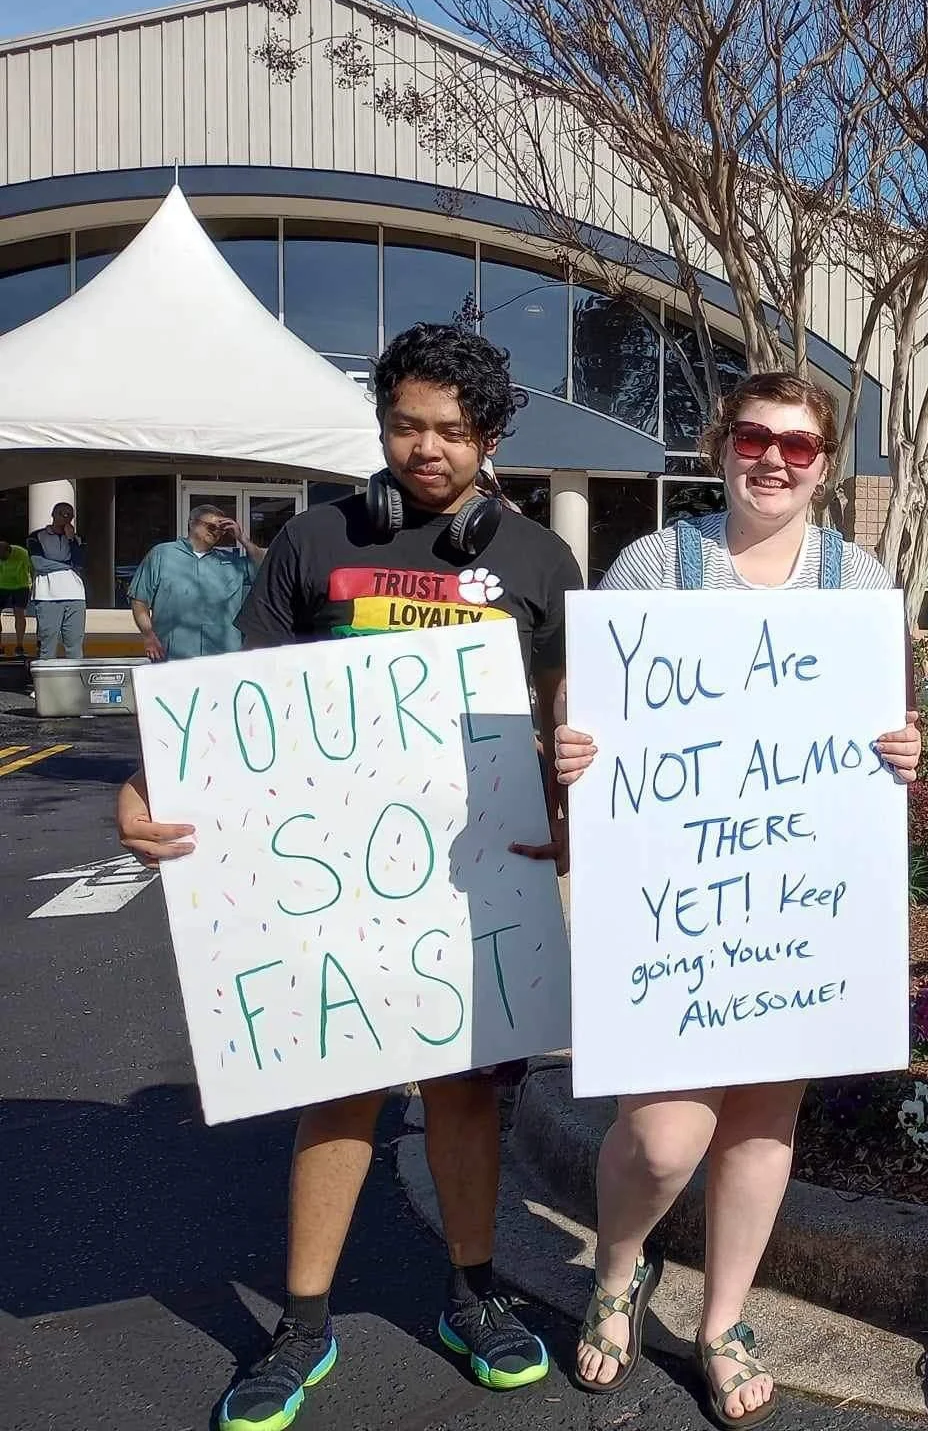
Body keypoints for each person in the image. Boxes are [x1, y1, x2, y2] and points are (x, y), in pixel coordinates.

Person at [116, 323, 583, 1430]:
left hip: (474, 878)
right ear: (380, 424)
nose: (426, 449)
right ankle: (303, 1322)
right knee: (342, 1094)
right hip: (335, 885)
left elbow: (572, 716)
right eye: (406, 425)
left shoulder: (537, 563)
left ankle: (474, 1298)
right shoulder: (310, 542)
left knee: (469, 1092)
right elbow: (234, 706)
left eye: (452, 432)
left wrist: (568, 817)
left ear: (491, 439)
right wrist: (142, 788)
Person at [549, 371, 923, 1418]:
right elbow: (590, 701)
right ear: (722, 446)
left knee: (762, 1125)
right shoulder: (656, 563)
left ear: (825, 465)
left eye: (799, 446)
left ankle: (723, 1318)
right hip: (675, 905)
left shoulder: (858, 580)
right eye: (755, 438)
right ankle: (617, 1267)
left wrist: (903, 749)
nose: (773, 459)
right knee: (666, 1135)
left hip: (793, 905)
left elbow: (888, 724)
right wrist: (578, 746)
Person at [129, 504, 265, 661]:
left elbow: (266, 568)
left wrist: (243, 539)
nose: (216, 532)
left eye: (221, 529)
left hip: (223, 655)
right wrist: (148, 636)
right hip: (173, 653)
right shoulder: (162, 554)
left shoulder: (232, 562)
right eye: (211, 526)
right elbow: (139, 600)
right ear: (192, 523)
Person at [28, 501, 87, 660]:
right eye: (62, 513)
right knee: (47, 644)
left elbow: (80, 563)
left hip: (75, 595)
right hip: (47, 595)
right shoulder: (37, 536)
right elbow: (38, 563)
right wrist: (67, 566)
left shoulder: (77, 538)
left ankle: (74, 681)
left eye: (69, 515)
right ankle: (46, 682)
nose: (65, 517)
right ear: (53, 514)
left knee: (74, 644)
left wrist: (71, 540)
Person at [0, 536, 29, 656]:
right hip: (1, 585)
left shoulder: (21, 553)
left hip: (20, 585)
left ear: (9, 551)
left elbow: (32, 568)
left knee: (19, 614)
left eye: (3, 557)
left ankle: (19, 645)